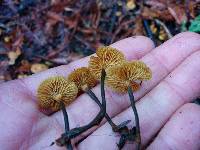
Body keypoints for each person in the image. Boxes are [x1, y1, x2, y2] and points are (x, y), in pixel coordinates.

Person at [0, 32, 200, 150]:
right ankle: (69, 138)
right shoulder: (90, 79)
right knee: (100, 114)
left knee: (103, 113)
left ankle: (128, 134)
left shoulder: (119, 76)